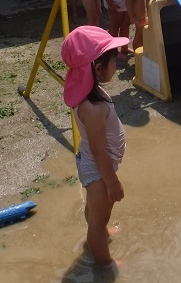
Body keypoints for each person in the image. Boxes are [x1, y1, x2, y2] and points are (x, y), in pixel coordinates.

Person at [61, 25, 129, 269]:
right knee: (99, 219)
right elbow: (100, 151)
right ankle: (104, 263)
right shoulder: (92, 107)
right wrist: (112, 182)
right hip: (99, 168)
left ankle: (99, 231)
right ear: (98, 69)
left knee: (95, 209)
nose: (118, 63)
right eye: (114, 60)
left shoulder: (89, 93)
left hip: (94, 163)